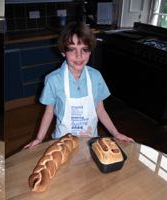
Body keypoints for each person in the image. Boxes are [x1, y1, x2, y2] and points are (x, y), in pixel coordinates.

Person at [24, 21, 134, 149]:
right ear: (63, 52)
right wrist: (39, 138)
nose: (79, 56)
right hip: (62, 143)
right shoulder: (53, 80)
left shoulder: (96, 77)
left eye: (84, 49)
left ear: (90, 51)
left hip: (90, 141)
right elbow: (49, 112)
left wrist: (116, 133)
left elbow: (100, 109)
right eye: (72, 49)